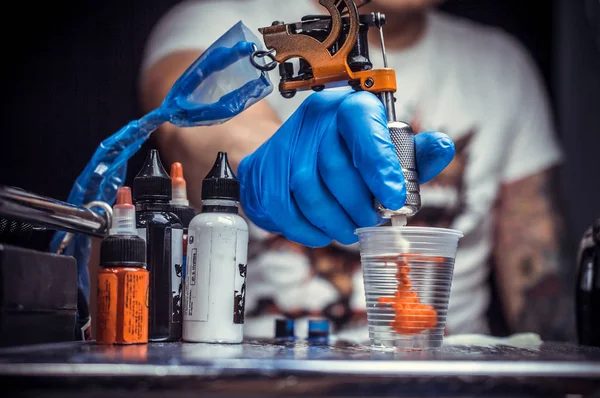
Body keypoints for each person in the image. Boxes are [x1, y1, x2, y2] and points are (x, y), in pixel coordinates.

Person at [139, 0, 575, 341]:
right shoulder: (213, 24)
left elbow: (537, 270)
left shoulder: (501, 67)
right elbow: (188, 125)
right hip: (263, 372)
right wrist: (265, 158)